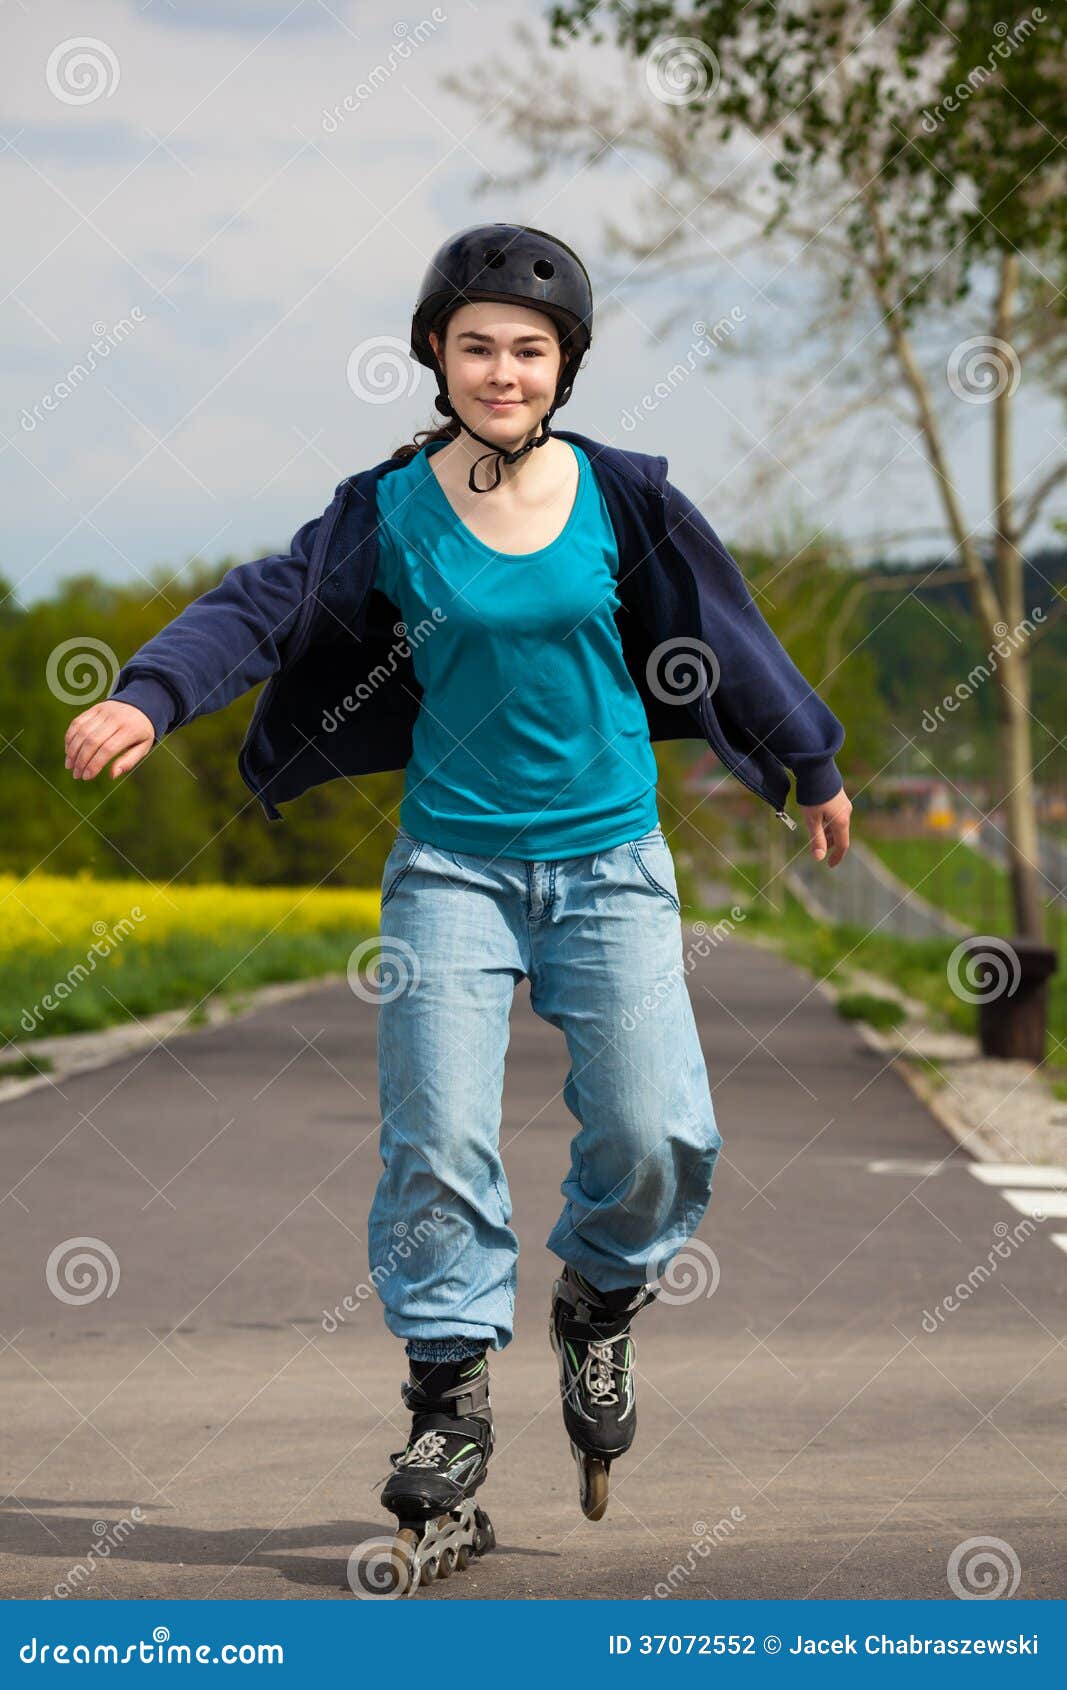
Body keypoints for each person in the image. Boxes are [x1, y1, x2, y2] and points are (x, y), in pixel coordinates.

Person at [63, 222, 853, 1594]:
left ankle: (597, 1294)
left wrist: (810, 756)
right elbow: (259, 605)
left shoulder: (625, 497)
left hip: (609, 861)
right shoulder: (388, 509)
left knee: (662, 1131)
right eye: (477, 343)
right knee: (434, 1136)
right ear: (436, 351)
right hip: (453, 869)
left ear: (566, 366)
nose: (503, 368)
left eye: (529, 349)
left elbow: (724, 628)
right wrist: (151, 689)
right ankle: (448, 1407)